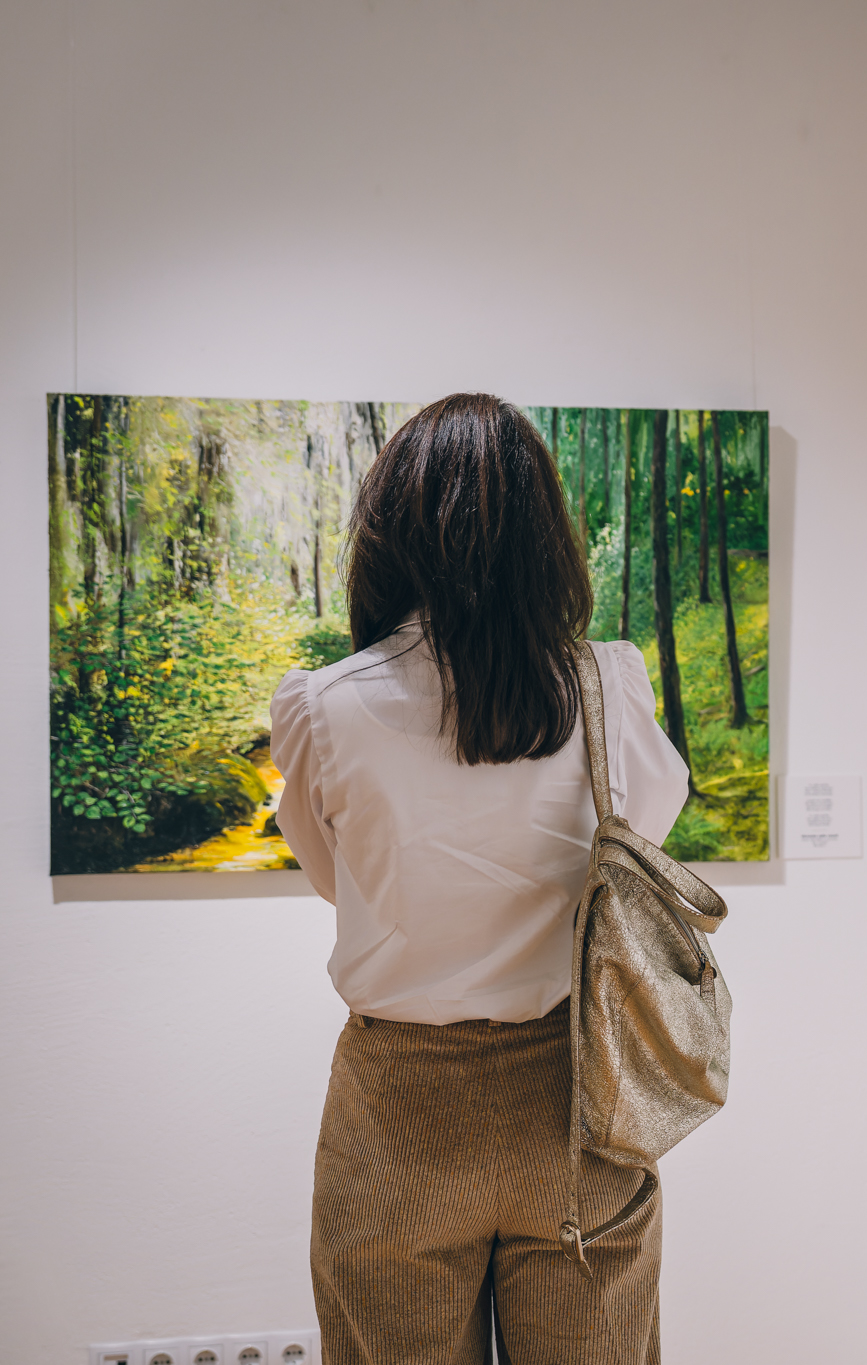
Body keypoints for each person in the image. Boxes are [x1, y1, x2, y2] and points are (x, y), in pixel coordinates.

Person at [269, 393, 691, 1364]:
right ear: (545, 534)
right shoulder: (607, 684)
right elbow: (643, 840)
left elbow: (338, 884)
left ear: (390, 531)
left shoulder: (324, 709)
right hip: (575, 1100)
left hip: (397, 1111)